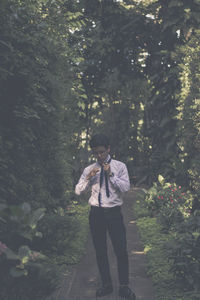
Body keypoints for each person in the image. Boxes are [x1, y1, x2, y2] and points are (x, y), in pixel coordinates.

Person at [75, 133, 136, 300]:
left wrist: (111, 175)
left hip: (114, 213)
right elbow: (78, 190)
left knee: (121, 250)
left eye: (102, 152)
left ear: (109, 149)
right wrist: (88, 178)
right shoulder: (89, 169)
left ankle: (124, 286)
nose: (99, 156)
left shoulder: (120, 166)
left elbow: (125, 188)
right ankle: (107, 284)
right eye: (96, 153)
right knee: (100, 251)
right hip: (96, 214)